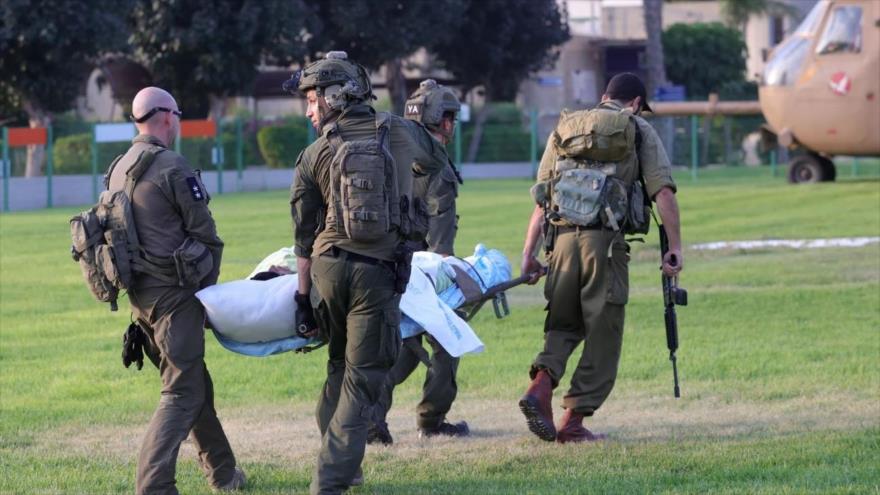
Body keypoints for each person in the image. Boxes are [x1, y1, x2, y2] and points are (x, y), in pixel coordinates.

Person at [285, 52, 447, 494]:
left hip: (326, 272)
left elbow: (302, 237)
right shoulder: (402, 130)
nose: (309, 109)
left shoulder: (314, 153)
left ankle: (345, 467)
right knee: (361, 381)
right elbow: (438, 166)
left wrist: (303, 298)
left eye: (312, 99)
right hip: (376, 276)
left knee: (338, 367)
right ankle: (330, 482)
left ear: (334, 97)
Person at [518, 73, 683, 443]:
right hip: (604, 247)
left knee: (562, 325)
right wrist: (675, 248)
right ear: (637, 103)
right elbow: (664, 194)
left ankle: (540, 386)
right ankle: (573, 422)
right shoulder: (636, 128)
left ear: (604, 96)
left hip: (559, 243)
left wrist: (528, 254)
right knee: (603, 334)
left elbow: (541, 198)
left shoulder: (566, 127)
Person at [108, 87, 245, 493]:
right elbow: (207, 237)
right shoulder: (172, 166)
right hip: (175, 299)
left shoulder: (118, 166)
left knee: (194, 384)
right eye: (179, 113)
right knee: (181, 392)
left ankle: (224, 475)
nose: (179, 120)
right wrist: (208, 297)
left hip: (140, 302)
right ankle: (153, 487)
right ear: (167, 116)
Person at [368, 79, 469, 445]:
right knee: (448, 337)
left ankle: (372, 421)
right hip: (418, 274)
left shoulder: (388, 155)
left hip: (380, 267)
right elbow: (441, 250)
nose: (453, 126)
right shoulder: (436, 168)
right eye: (452, 119)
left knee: (395, 347)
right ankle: (432, 418)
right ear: (443, 122)